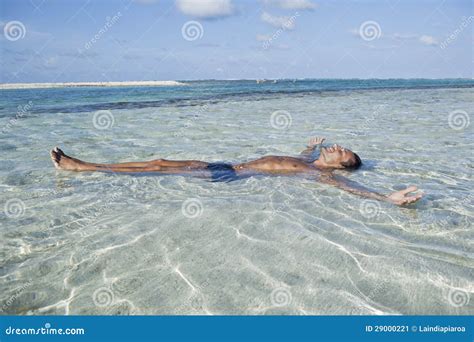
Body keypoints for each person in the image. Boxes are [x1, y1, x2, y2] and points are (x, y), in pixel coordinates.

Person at [50, 137, 422, 205]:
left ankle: (82, 167)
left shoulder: (321, 175)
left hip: (229, 176)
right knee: (160, 162)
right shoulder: (309, 162)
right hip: (226, 166)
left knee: (158, 168)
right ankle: (85, 166)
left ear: (342, 164)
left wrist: (385, 198)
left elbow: (347, 188)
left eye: (343, 151)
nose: (338, 147)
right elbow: (294, 157)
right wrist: (310, 146)